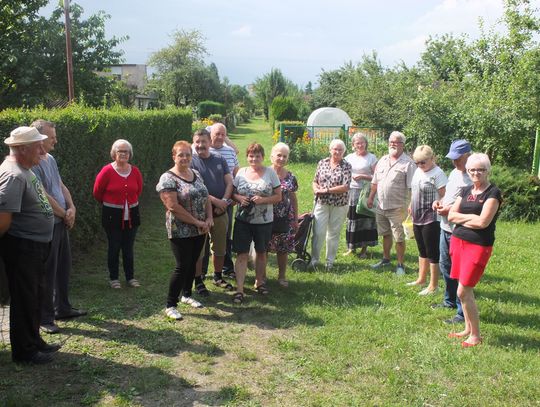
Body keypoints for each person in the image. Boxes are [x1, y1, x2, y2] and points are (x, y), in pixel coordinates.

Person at [0, 126, 60, 364]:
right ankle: (24, 351)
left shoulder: (26, 169)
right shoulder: (13, 175)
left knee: (35, 295)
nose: (42, 149)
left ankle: (35, 341)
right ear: (23, 149)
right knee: (25, 298)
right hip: (23, 248)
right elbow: (3, 220)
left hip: (36, 246)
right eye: (37, 146)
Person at [31, 120, 86, 335]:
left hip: (61, 221)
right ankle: (45, 318)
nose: (55, 140)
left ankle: (62, 308)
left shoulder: (50, 158)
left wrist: (71, 207)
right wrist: (64, 214)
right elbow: (42, 194)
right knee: (47, 272)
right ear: (39, 138)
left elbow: (60, 185)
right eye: (51, 136)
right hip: (48, 224)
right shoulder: (32, 163)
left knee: (63, 267)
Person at [447, 153, 502, 347]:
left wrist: (463, 218)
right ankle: (467, 329)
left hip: (478, 246)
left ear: (488, 171)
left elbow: (483, 222)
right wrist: (469, 219)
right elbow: (451, 216)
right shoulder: (466, 190)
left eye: (480, 169)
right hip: (458, 242)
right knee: (462, 288)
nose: (476, 173)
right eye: (472, 170)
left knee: (463, 290)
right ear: (468, 171)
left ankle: (476, 336)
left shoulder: (493, 193)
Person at [156, 141, 213, 320]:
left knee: (193, 261)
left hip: (201, 228)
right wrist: (197, 221)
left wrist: (209, 218)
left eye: (188, 154)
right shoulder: (168, 178)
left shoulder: (195, 173)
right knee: (182, 266)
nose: (185, 158)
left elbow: (206, 197)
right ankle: (170, 304)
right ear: (174, 156)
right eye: (181, 154)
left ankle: (187, 295)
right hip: (180, 229)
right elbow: (173, 206)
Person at [231, 143, 281, 304]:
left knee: (261, 252)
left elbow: (278, 196)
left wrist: (263, 200)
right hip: (243, 220)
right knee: (242, 253)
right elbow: (233, 193)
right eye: (251, 156)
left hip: (264, 221)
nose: (254, 159)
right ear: (247, 157)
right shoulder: (241, 173)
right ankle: (239, 289)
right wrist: (239, 198)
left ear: (263, 157)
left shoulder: (271, 173)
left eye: (257, 156)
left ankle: (259, 282)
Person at [431, 140, 472, 323]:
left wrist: (449, 210)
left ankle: (462, 312)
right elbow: (448, 195)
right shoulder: (455, 173)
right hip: (445, 227)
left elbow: (472, 205)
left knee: (461, 271)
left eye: (458, 159)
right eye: (453, 159)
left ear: (467, 155)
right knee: (445, 266)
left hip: (460, 231)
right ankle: (449, 301)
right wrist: (439, 202)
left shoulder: (473, 177)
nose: (455, 162)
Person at [93, 139, 143, 289]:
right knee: (114, 247)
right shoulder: (107, 171)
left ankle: (130, 277)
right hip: (112, 216)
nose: (123, 154)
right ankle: (114, 278)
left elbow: (138, 190)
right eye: (120, 151)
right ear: (114, 153)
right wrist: (112, 203)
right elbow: (97, 192)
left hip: (132, 215)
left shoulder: (135, 171)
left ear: (130, 154)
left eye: (126, 151)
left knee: (128, 248)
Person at [190, 129, 234, 294]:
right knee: (199, 249)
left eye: (204, 141)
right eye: (197, 142)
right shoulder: (191, 162)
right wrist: (217, 201)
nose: (201, 145)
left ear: (210, 142)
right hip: (200, 214)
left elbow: (229, 182)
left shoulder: (219, 159)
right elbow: (197, 188)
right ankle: (198, 280)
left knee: (220, 246)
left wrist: (224, 201)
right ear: (194, 143)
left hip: (221, 211)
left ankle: (217, 276)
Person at [367, 131, 416, 275]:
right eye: (391, 142)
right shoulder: (382, 160)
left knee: (399, 237)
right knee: (385, 234)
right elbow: (375, 182)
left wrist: (411, 204)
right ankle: (386, 259)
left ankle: (400, 264)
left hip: (398, 207)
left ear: (402, 144)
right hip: (381, 205)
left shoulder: (408, 163)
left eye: (396, 142)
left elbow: (412, 187)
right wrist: (371, 197)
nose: (393, 144)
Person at [406, 145, 447, 295]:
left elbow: (445, 195)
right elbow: (414, 190)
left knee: (432, 252)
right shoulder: (418, 171)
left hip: (432, 218)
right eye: (417, 162)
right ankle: (421, 279)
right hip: (417, 216)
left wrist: (439, 204)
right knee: (421, 249)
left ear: (433, 158)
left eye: (423, 162)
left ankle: (433, 285)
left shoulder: (438, 173)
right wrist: (411, 204)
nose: (420, 165)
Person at [311, 139, 352, 270]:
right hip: (321, 202)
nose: (337, 151)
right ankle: (314, 260)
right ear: (330, 150)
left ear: (344, 152)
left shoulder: (346, 165)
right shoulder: (322, 163)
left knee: (333, 233)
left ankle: (330, 262)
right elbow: (315, 181)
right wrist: (316, 188)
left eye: (340, 149)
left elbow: (345, 187)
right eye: (335, 149)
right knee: (318, 232)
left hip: (339, 204)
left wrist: (327, 190)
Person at [210, 123, 240, 278]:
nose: (220, 137)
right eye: (217, 134)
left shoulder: (230, 152)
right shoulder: (202, 150)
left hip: (227, 201)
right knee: (203, 236)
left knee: (226, 235)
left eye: (223, 134)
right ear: (210, 134)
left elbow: (237, 174)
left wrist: (234, 195)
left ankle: (227, 268)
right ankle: (200, 271)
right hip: (206, 202)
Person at [267, 142, 298, 287]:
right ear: (272, 155)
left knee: (283, 248)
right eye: (279, 155)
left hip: (285, 216)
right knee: (263, 247)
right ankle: (260, 277)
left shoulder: (290, 176)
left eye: (285, 156)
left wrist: (295, 219)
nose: (281, 158)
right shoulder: (264, 172)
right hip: (265, 216)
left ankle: (282, 276)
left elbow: (293, 198)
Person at [343, 132, 378, 258]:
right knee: (352, 220)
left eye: (362, 142)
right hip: (351, 191)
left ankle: (364, 249)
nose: (360, 145)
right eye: (357, 143)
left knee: (365, 220)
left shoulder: (372, 158)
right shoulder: (348, 158)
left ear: (366, 143)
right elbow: (343, 173)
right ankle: (351, 248)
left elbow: (377, 177)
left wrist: (363, 176)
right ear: (353, 145)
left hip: (366, 192)